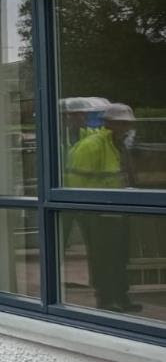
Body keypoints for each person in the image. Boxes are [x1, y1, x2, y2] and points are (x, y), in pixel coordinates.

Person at [66, 102, 139, 312]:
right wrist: (89, 209)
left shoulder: (120, 144)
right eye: (121, 123)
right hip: (97, 213)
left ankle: (122, 297)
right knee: (102, 258)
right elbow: (77, 181)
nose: (125, 128)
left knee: (120, 256)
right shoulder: (92, 145)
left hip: (118, 211)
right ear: (109, 123)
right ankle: (106, 299)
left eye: (127, 124)